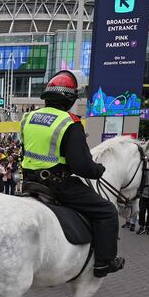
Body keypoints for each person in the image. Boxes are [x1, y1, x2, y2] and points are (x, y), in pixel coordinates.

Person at [20, 70, 123, 278]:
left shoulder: (27, 118)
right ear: (68, 100)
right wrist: (98, 170)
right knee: (107, 211)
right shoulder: (70, 122)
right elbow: (81, 167)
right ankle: (104, 262)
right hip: (59, 185)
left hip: (29, 182)